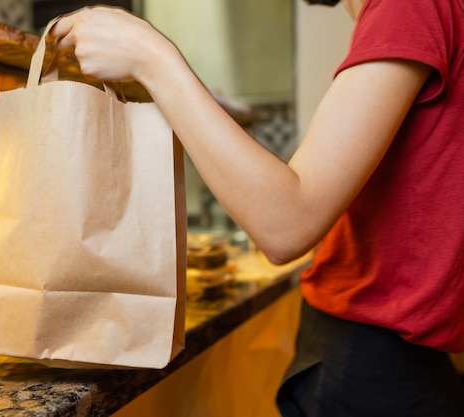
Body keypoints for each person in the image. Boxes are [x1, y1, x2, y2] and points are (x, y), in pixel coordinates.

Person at [46, 0, 464, 415]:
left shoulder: (408, 6)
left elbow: (286, 225)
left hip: (373, 367)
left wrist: (151, 56)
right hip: (393, 358)